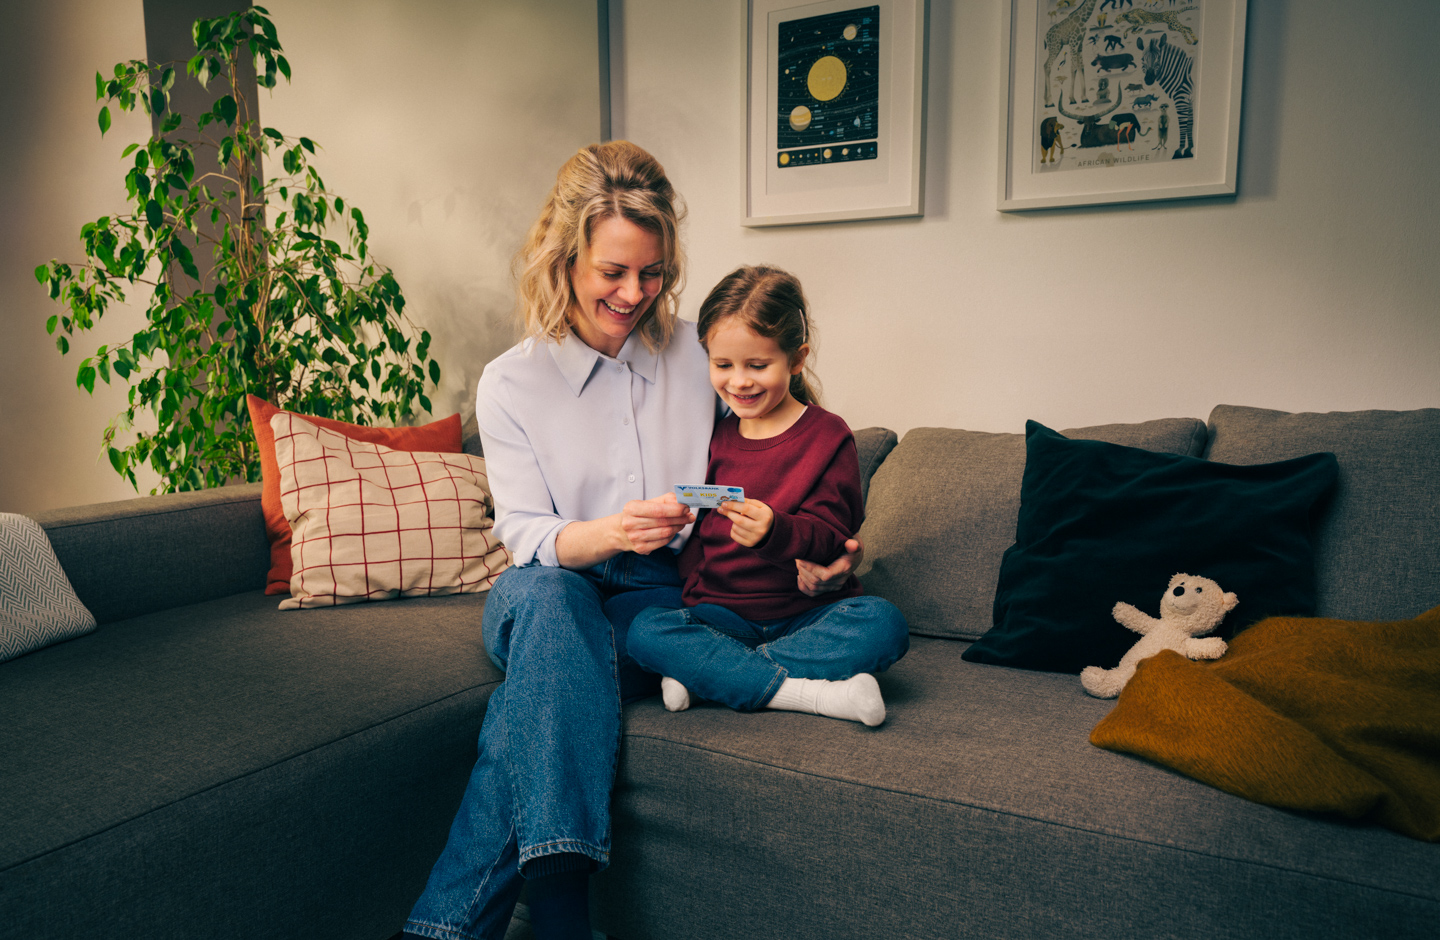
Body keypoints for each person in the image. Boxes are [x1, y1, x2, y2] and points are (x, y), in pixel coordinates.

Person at [402, 144, 859, 940]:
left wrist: (809, 548)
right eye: (613, 271)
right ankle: (562, 916)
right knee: (550, 604)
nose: (634, 293)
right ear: (565, 257)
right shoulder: (512, 381)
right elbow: (521, 533)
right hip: (550, 583)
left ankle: (448, 930)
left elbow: (772, 444)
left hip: (663, 592)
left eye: (651, 274)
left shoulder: (695, 352)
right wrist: (608, 531)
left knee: (535, 706)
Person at [628, 266, 909, 727]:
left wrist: (776, 533)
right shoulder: (714, 434)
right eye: (723, 365)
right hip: (721, 616)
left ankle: (712, 676)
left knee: (883, 623)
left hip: (805, 616)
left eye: (758, 365)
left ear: (796, 360)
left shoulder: (827, 435)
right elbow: (702, 541)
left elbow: (831, 537)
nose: (739, 381)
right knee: (645, 630)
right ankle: (806, 692)